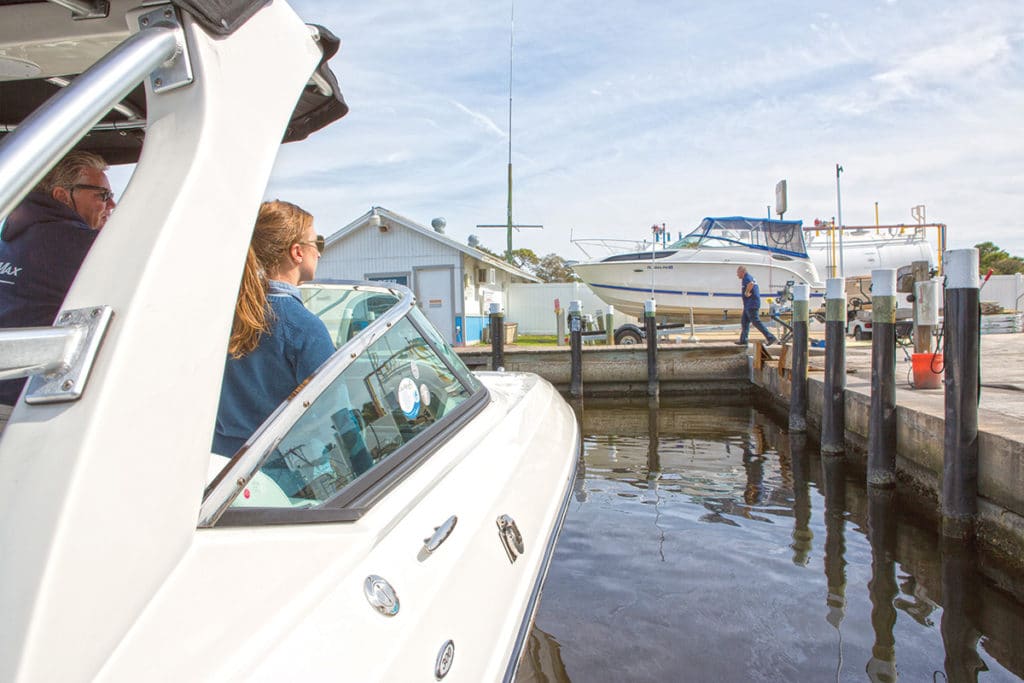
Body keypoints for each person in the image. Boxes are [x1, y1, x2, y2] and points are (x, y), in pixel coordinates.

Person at [0, 150, 116, 427]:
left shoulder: (10, 237)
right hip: (27, 408)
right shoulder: (81, 246)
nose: (112, 204)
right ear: (63, 196)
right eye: (102, 195)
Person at [212, 200, 335, 456]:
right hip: (283, 470)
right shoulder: (304, 328)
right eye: (317, 243)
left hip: (223, 463)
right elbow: (333, 416)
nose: (320, 253)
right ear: (297, 252)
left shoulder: (225, 316)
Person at [735, 265, 777, 346]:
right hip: (748, 304)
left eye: (738, 273)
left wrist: (746, 292)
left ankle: (770, 337)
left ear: (742, 272)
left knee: (756, 322)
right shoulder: (747, 278)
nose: (737, 275)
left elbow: (751, 284)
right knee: (744, 322)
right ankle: (743, 340)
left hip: (752, 304)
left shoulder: (747, 278)